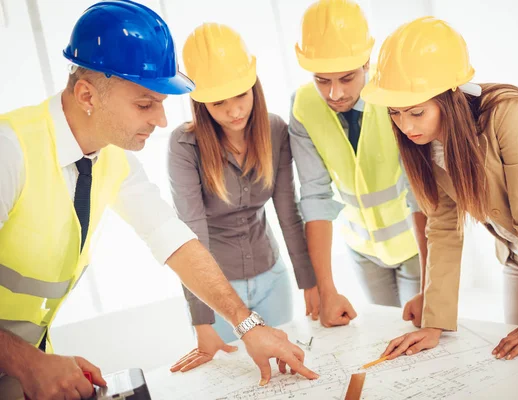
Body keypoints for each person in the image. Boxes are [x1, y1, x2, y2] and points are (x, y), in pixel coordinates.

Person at [0, 2, 316, 399]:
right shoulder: (9, 152)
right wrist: (28, 361)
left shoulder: (113, 159)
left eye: (163, 104)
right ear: (87, 94)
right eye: (145, 104)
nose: (162, 121)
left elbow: (172, 238)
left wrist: (247, 325)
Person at [362, 16, 518, 361]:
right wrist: (434, 322)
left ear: (450, 97)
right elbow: (443, 228)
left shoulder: (508, 113)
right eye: (395, 113)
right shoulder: (425, 142)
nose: (405, 126)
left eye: (416, 112)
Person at [168, 23, 318, 373]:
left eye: (241, 95)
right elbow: (190, 234)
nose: (234, 110)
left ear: (254, 86)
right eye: (219, 102)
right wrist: (202, 322)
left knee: (284, 375)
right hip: (218, 293)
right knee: (239, 383)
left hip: (274, 279)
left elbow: (287, 211)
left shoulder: (276, 129)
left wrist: (309, 280)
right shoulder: (183, 145)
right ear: (200, 102)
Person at [289, 0, 429, 328]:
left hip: (415, 245)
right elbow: (315, 197)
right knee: (385, 334)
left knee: (421, 334)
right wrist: (327, 290)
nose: (334, 93)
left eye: (347, 78)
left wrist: (430, 287)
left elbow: (418, 190)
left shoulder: (396, 91)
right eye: (322, 79)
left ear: (367, 61)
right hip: (363, 251)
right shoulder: (303, 105)